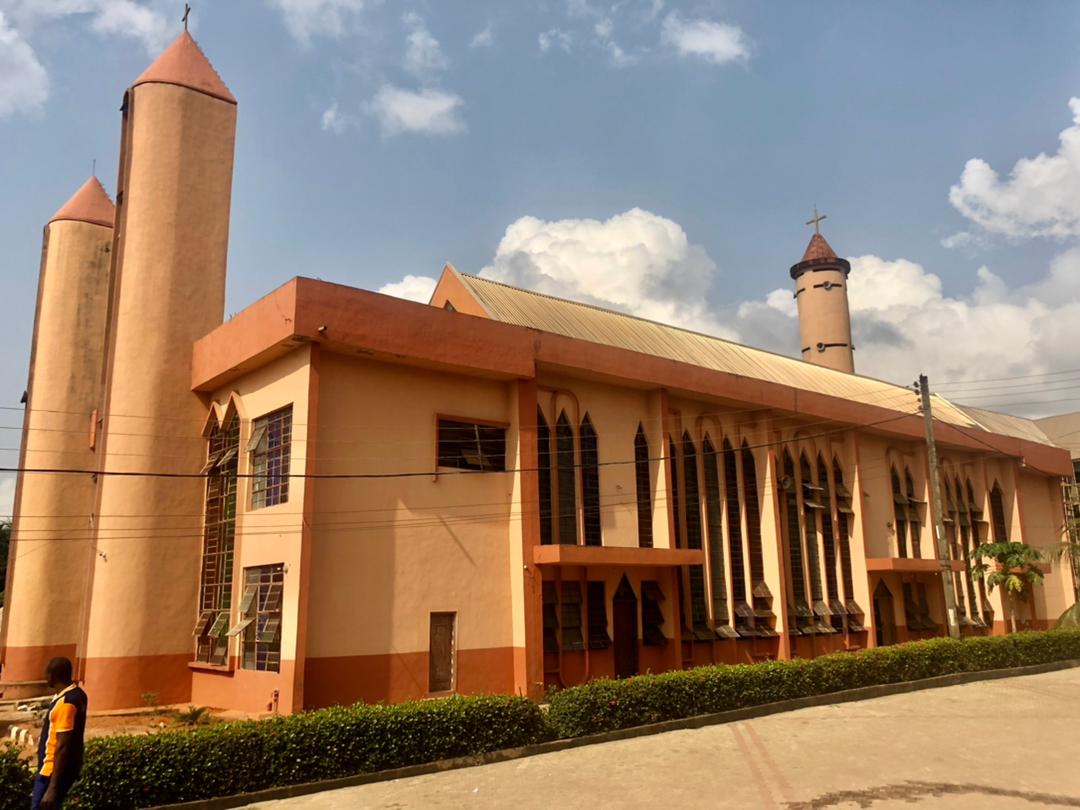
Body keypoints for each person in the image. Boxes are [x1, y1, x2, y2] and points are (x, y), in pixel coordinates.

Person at [31, 657, 87, 810]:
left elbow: (63, 745)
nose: (44, 677)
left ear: (52, 676)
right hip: (61, 769)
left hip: (51, 771)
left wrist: (52, 788)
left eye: (46, 673)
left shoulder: (66, 703)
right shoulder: (77, 694)